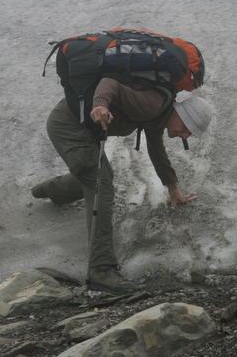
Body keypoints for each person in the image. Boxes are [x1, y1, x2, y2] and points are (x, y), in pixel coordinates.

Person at [32, 77, 212, 294]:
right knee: (101, 182)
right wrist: (100, 105)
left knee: (96, 176)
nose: (186, 136)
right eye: (187, 129)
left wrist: (173, 188)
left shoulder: (159, 114)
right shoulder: (151, 104)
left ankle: (51, 191)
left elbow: (156, 150)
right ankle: (101, 270)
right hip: (67, 126)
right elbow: (109, 83)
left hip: (84, 129)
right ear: (182, 115)